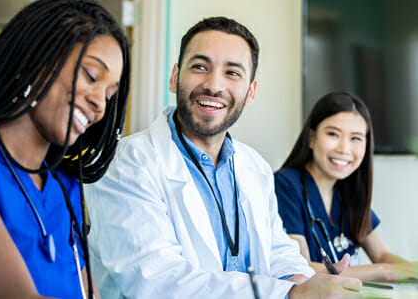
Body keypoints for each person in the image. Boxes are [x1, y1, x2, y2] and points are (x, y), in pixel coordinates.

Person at [85, 17, 362, 298]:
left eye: (232, 73)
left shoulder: (255, 166)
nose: (214, 85)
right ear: (174, 77)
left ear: (250, 92)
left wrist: (304, 282)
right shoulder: (126, 163)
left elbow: (277, 250)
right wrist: (292, 294)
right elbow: (157, 281)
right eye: (200, 67)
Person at [0, 0, 131, 298]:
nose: (99, 104)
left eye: (109, 95)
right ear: (36, 59)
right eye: (91, 76)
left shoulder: (65, 189)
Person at [274, 92, 417, 282]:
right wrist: (385, 271)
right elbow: (302, 267)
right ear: (311, 137)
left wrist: (410, 270)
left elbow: (382, 256)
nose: (344, 149)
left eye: (356, 138)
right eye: (333, 134)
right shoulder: (285, 185)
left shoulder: (348, 191)